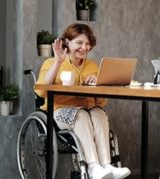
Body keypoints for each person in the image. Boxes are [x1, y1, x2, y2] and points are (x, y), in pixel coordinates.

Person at [35, 23, 131, 179]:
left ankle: (107, 166)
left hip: (88, 111)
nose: (84, 47)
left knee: (99, 113)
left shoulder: (92, 66)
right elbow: (40, 90)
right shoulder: (51, 63)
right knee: (82, 115)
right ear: (67, 42)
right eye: (79, 43)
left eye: (87, 44)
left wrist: (98, 85)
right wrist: (58, 62)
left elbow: (100, 102)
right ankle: (93, 167)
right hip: (59, 111)